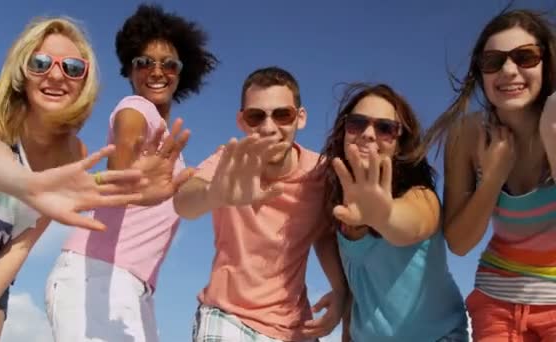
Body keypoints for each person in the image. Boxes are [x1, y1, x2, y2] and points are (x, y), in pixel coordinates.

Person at [0, 15, 169, 342]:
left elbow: (20, 248)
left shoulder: (75, 154)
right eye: (40, 63)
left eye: (72, 67)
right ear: (22, 71)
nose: (55, 74)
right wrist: (30, 184)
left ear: (85, 80)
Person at [45, 4, 217, 342]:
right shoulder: (135, 108)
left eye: (169, 63)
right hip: (96, 275)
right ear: (130, 70)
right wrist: (124, 174)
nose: (156, 71)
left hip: (132, 287)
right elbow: (126, 143)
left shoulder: (168, 152)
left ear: (182, 73)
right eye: (144, 62)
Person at [174, 66, 347, 342]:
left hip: (294, 326)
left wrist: (340, 292)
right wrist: (214, 195)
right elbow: (184, 202)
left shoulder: (321, 174)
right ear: (242, 122)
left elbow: (324, 235)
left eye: (282, 114)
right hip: (228, 315)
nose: (269, 127)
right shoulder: (228, 163)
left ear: (300, 118)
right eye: (256, 116)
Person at [423, 8, 556, 341]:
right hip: (495, 301)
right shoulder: (467, 136)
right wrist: (494, 177)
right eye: (493, 61)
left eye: (525, 57)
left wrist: (551, 136)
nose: (509, 71)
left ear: (547, 64)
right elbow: (460, 243)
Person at [320, 83, 468, 341]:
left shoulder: (422, 196)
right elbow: (358, 294)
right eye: (357, 123)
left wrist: (383, 216)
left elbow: (410, 226)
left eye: (385, 128)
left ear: (400, 144)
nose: (368, 134)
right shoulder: (337, 205)